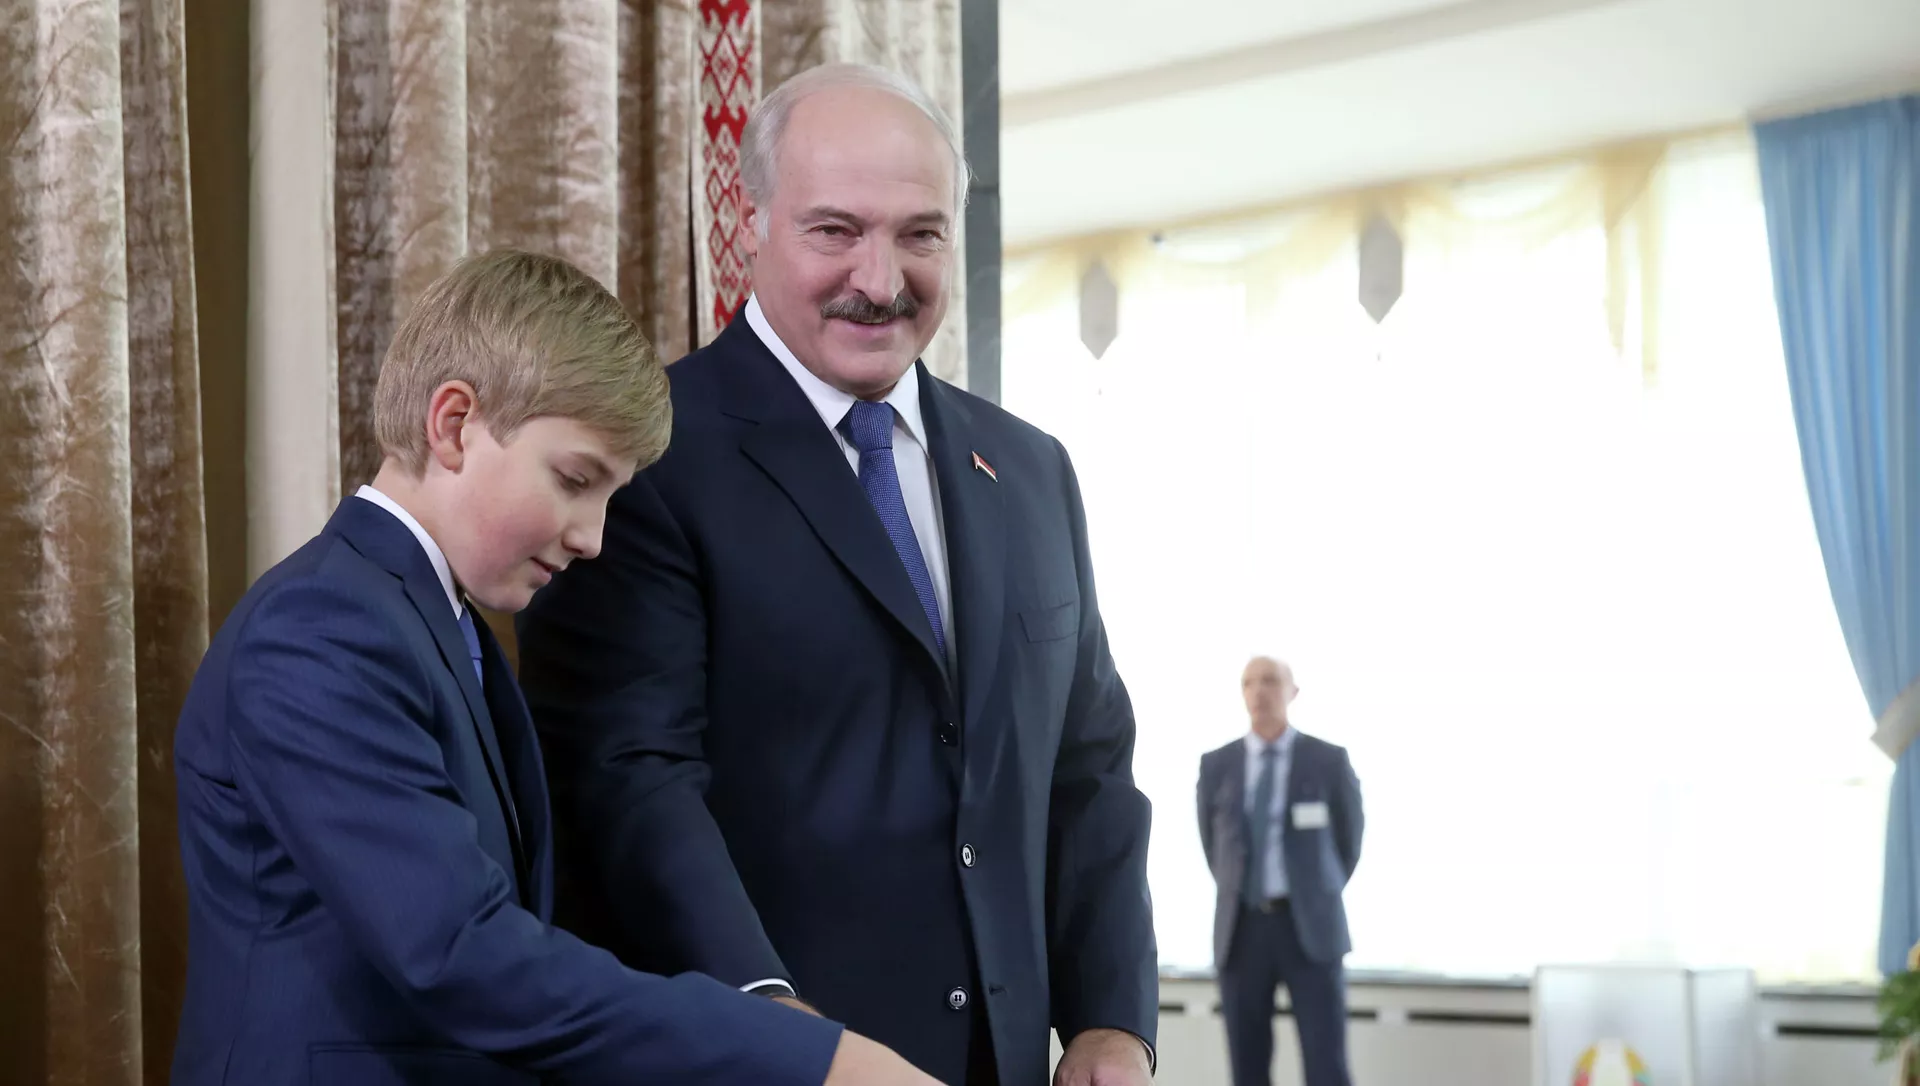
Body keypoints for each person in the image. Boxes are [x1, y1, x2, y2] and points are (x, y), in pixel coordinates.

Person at [515, 64, 1157, 1086]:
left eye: (920, 234)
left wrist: (1113, 1019)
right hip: (755, 1062)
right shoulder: (645, 461)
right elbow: (628, 779)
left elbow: (1090, 768)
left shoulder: (1033, 470)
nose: (880, 277)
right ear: (750, 223)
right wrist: (772, 1018)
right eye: (835, 230)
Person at [170, 248, 938, 1086]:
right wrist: (811, 1058)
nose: (592, 538)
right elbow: (463, 955)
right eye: (575, 480)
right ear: (453, 425)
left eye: (609, 497)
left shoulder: (432, 624)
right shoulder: (322, 629)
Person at [1197, 657, 1364, 1086]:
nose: (1259, 691)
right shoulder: (1216, 765)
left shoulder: (1328, 761)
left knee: (1326, 1063)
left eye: (1270, 681)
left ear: (1293, 691)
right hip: (1242, 930)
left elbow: (1348, 844)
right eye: (1249, 682)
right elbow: (1214, 849)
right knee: (1247, 1065)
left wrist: (1315, 892)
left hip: (1310, 930)